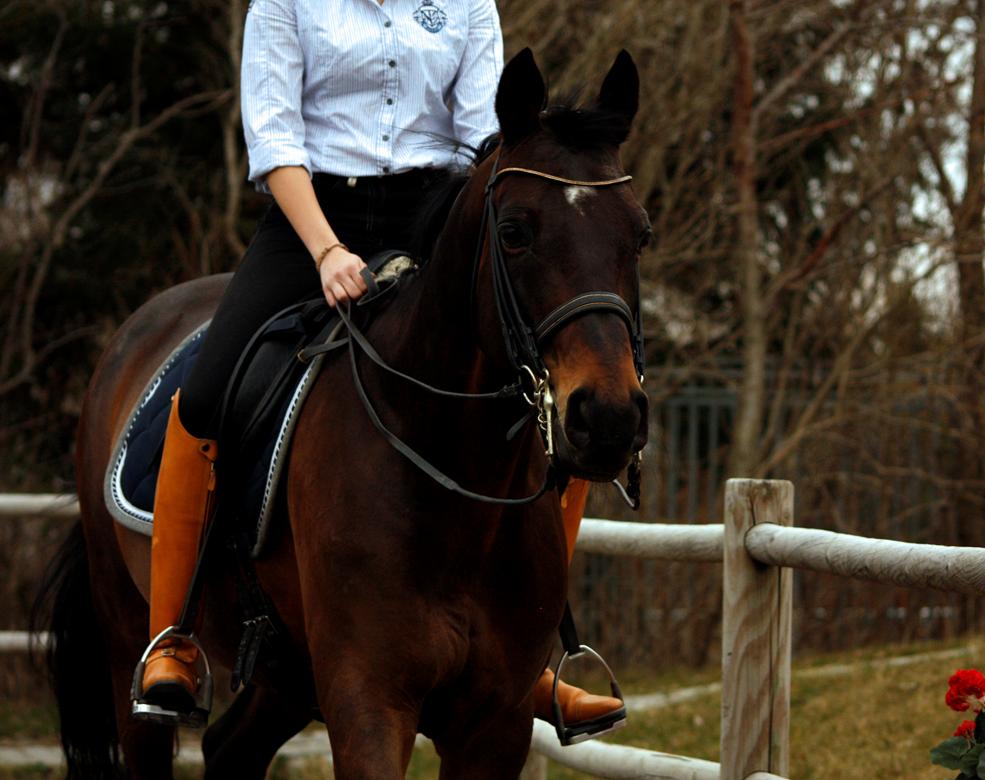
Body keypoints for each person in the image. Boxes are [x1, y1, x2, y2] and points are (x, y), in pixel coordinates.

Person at [136, 0, 625, 740]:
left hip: (437, 221)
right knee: (206, 394)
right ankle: (172, 638)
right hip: (310, 220)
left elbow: (483, 139)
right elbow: (275, 138)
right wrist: (327, 250)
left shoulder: (468, 4)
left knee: (550, 391)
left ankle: (531, 653)